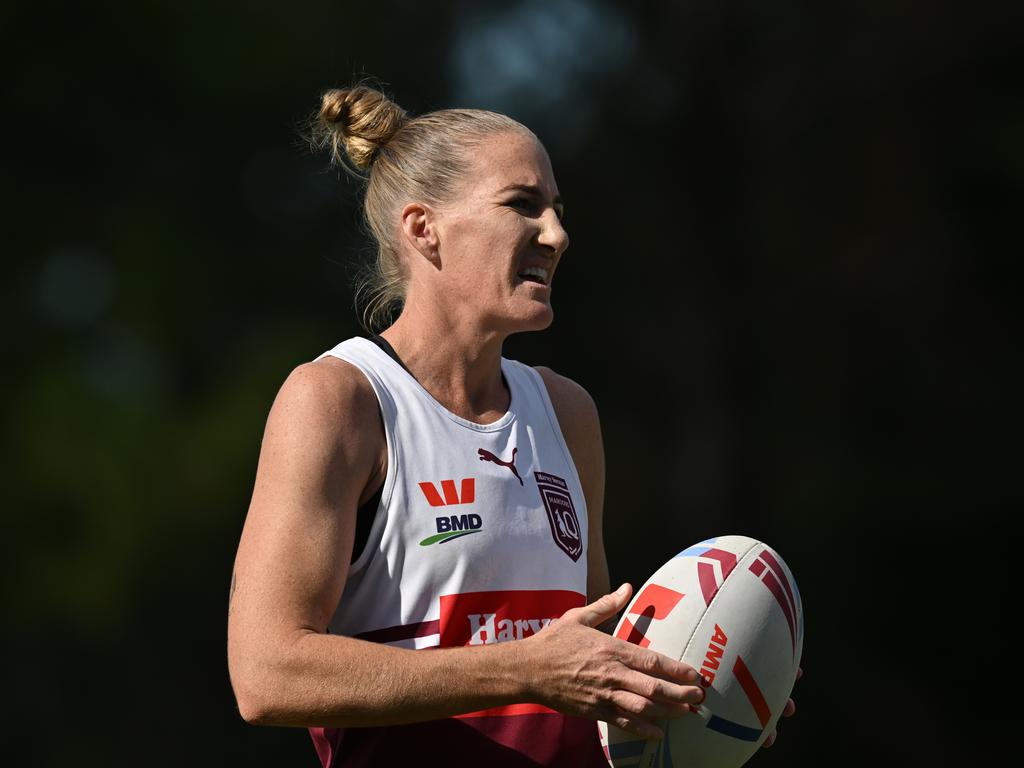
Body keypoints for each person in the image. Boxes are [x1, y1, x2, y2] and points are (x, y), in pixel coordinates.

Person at [226, 84, 798, 767]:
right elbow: (266, 674)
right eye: (523, 205)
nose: (556, 236)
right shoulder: (340, 400)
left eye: (557, 210)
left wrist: (703, 690)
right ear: (423, 228)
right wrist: (524, 669)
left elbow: (584, 666)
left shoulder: (566, 412)